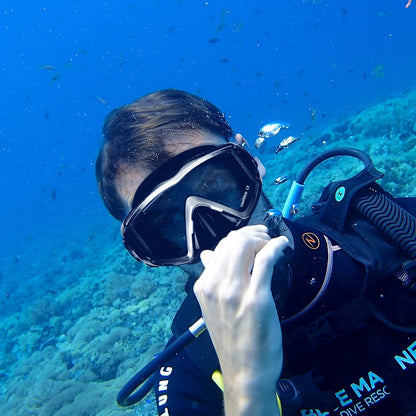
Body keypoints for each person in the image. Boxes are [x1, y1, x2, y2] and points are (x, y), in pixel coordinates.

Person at [96, 89, 416, 416]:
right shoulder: (190, 375)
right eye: (167, 221)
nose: (215, 234)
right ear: (146, 250)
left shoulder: (395, 230)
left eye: (215, 185)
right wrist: (245, 388)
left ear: (252, 163)